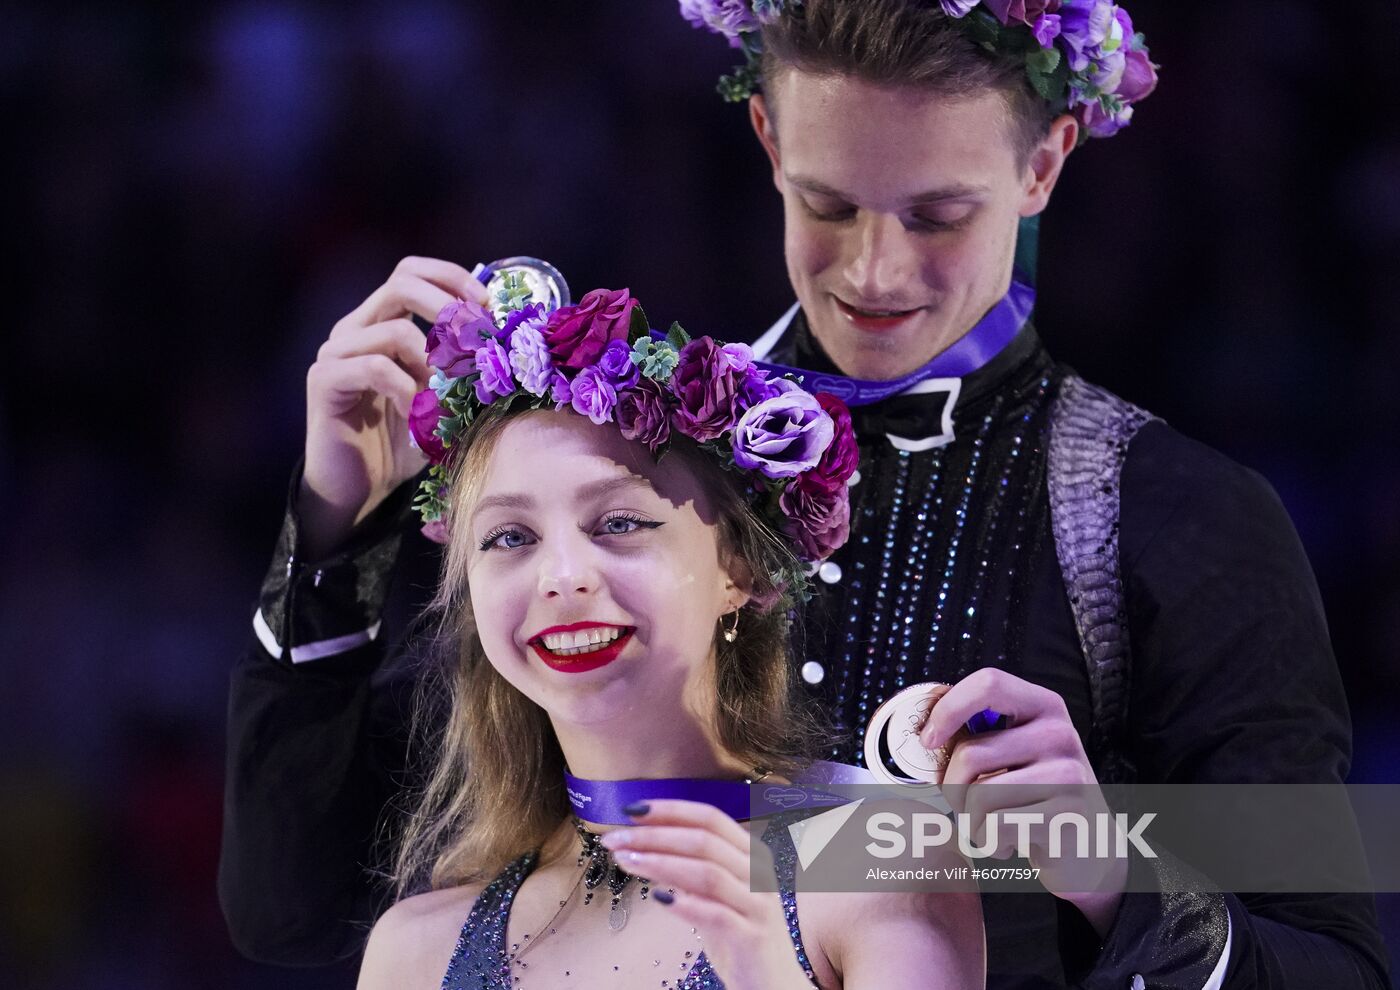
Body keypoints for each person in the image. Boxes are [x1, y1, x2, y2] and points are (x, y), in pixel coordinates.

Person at [221, 2, 1392, 987]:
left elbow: (1331, 968)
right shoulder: (621, 476)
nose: (875, 271)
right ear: (767, 137)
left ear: (1043, 164)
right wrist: (334, 530)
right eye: (827, 207)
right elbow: (294, 910)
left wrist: (1109, 867)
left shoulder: (1169, 517)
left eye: (937, 215)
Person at [351, 293, 985, 988]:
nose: (562, 577)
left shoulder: (880, 860)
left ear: (739, 570)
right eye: (510, 538)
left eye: (619, 523)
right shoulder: (416, 951)